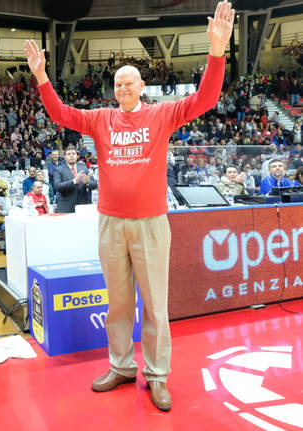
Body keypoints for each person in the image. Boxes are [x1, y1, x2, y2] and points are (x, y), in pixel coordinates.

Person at [25, 0, 234, 412]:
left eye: (129, 83)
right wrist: (42, 78)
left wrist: (217, 51)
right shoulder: (101, 118)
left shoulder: (162, 114)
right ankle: (121, 366)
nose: (122, 88)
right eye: (117, 83)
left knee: (155, 303)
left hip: (152, 223)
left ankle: (157, 375)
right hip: (110, 224)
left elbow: (207, 98)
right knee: (117, 302)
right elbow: (62, 114)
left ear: (141, 86)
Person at [53, 145, 97, 213]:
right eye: (69, 154)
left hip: (83, 206)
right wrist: (74, 181)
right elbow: (57, 186)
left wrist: (88, 182)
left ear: (77, 156)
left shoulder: (83, 167)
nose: (71, 156)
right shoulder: (59, 169)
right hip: (66, 207)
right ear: (64, 157)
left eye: (73, 154)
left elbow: (94, 185)